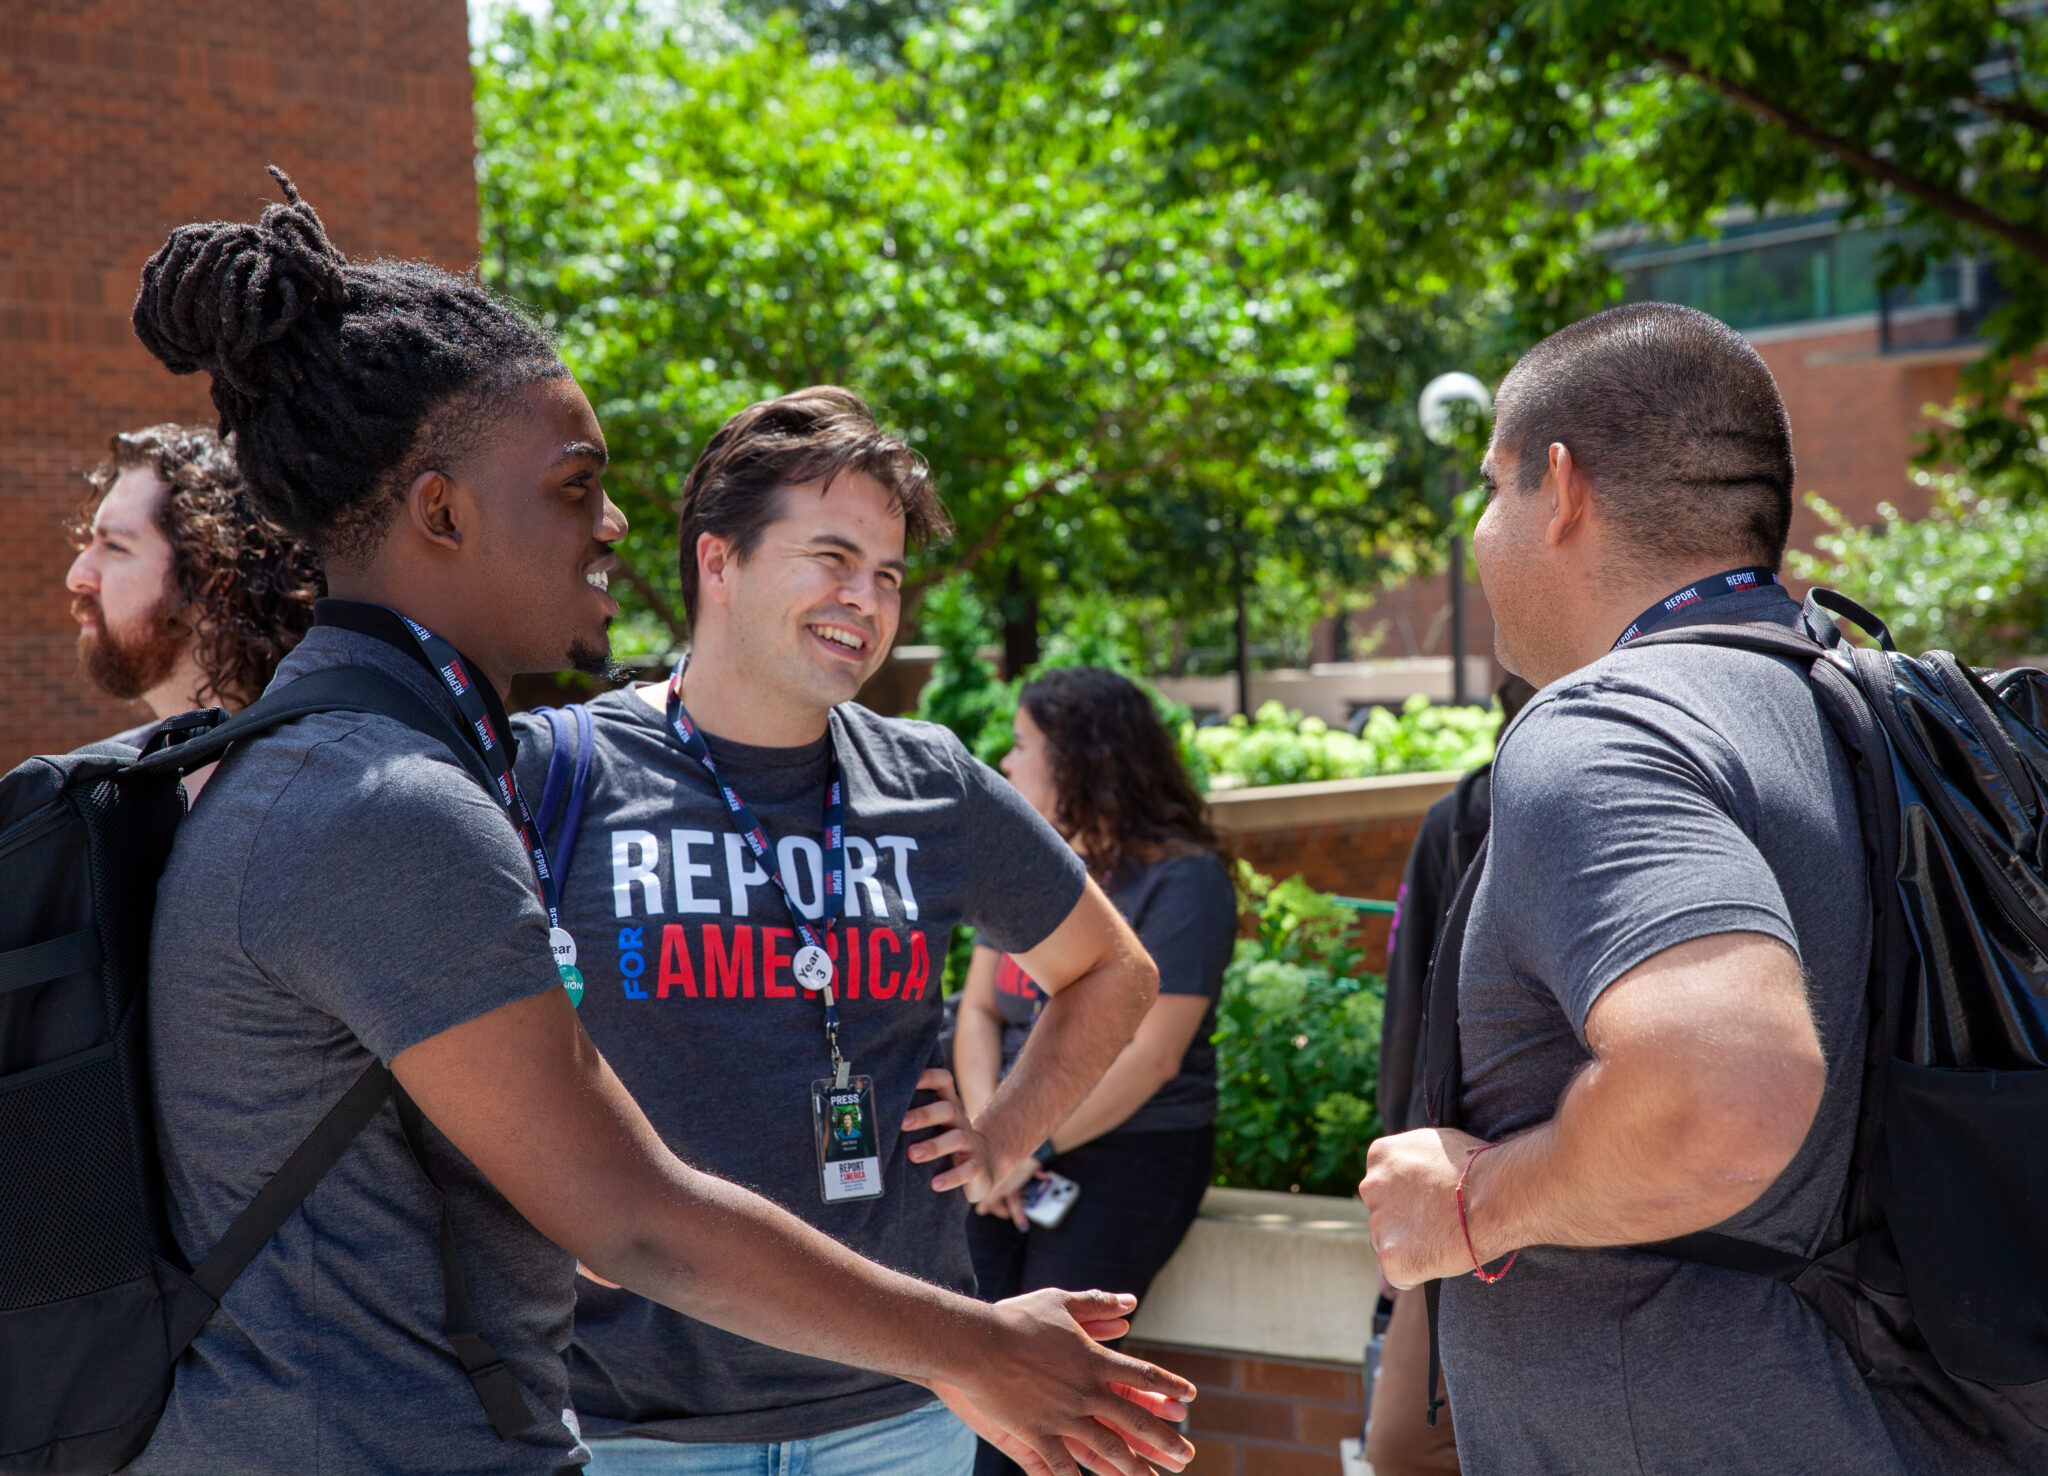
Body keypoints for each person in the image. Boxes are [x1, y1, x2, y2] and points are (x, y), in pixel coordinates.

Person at [128, 171, 1195, 1476]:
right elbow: (632, 1218)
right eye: (576, 488)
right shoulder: (392, 801)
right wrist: (977, 1347)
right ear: (443, 512)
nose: (613, 523)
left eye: (890, 573)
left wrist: (996, 1160)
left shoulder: (359, 763)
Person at [1359, 301, 2014, 1472]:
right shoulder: (1867, 705)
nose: (1476, 527)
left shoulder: (1603, 731)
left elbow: (1723, 1090)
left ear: (1557, 489)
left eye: (1487, 483)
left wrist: (1472, 1208)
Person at [506, 393, 1170, 1474]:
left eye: (889, 575)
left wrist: (1003, 1137)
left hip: (901, 1413)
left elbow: (1109, 970)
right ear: (716, 563)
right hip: (635, 1423)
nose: (864, 600)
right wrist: (518, 1203)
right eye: (830, 558)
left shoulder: (928, 782)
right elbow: (424, 1029)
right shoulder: (555, 772)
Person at [953, 666, 1236, 1476]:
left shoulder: (1184, 880)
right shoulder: (1030, 870)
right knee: (967, 1357)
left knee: (1054, 1386)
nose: (1005, 765)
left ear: (1081, 758)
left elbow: (1153, 1055)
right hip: (1009, 1148)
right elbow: (975, 1012)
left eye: (1020, 745)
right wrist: (987, 1140)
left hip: (1129, 1148)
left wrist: (1018, 1146)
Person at [1363, 673, 1531, 1476]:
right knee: (1403, 1441)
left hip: (1609, 1187)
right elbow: (1409, 1020)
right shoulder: (1465, 821)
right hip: (1466, 1185)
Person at [65, 422, 321, 787]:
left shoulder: (320, 795)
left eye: (116, 547)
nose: (77, 575)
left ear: (216, 580)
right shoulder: (104, 790)